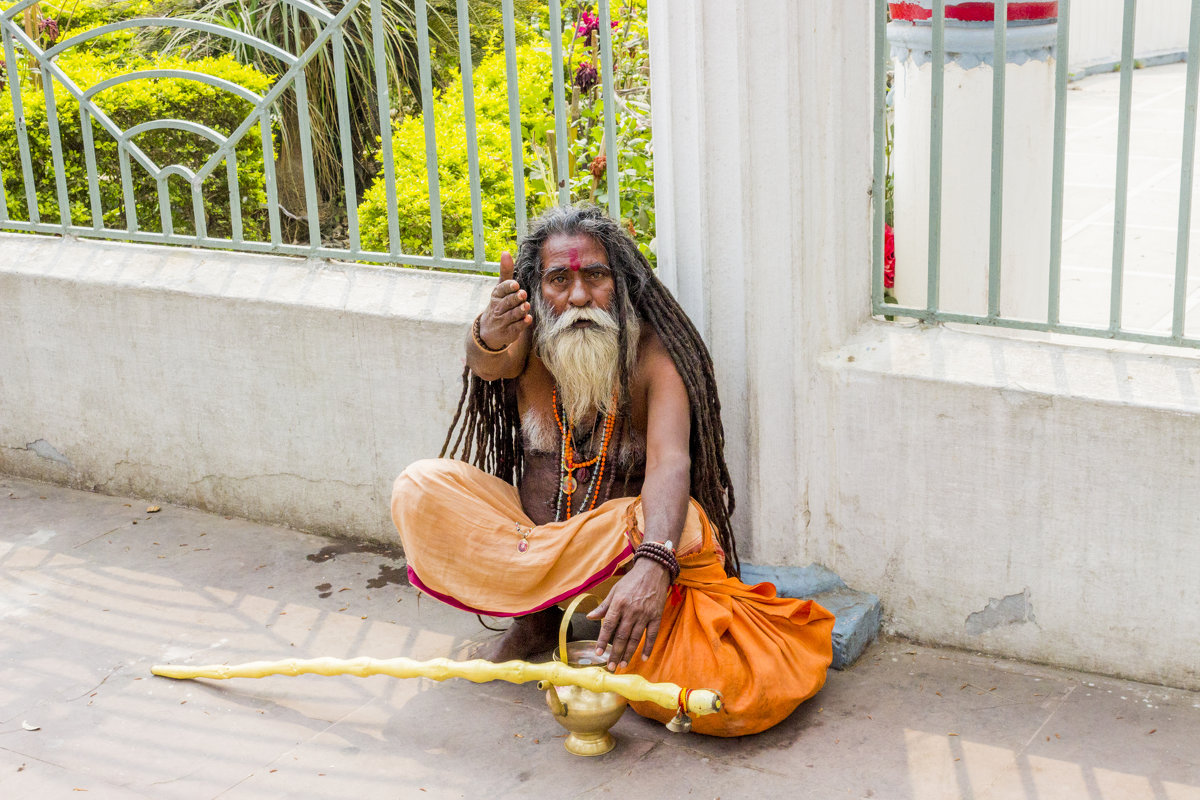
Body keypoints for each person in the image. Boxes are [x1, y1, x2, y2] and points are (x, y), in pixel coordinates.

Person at [391, 205, 833, 736]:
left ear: (621, 283)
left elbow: (672, 462)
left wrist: (654, 563)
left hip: (625, 565)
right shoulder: (529, 343)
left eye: (595, 276)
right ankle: (537, 621)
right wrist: (485, 331)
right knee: (420, 484)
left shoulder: (656, 358)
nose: (578, 296)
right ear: (535, 290)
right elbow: (488, 363)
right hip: (533, 541)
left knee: (721, 688)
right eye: (559, 279)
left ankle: (595, 618)